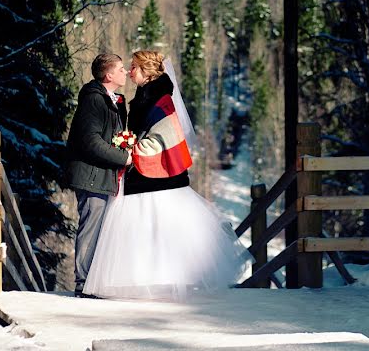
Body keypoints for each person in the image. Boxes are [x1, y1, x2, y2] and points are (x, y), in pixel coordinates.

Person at [83, 50, 251, 300]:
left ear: (147, 72)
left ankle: (161, 282)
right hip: (141, 176)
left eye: (134, 68)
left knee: (160, 229)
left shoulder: (160, 100)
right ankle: (144, 281)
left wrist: (134, 149)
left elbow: (165, 136)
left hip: (154, 176)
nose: (130, 72)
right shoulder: (143, 97)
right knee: (146, 229)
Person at [65, 53, 132, 298]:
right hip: (90, 175)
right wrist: (123, 157)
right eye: (121, 69)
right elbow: (90, 141)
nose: (125, 73)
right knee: (90, 228)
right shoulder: (94, 100)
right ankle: (83, 285)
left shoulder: (112, 101)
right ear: (109, 75)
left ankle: (93, 283)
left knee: (100, 229)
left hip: (102, 175)